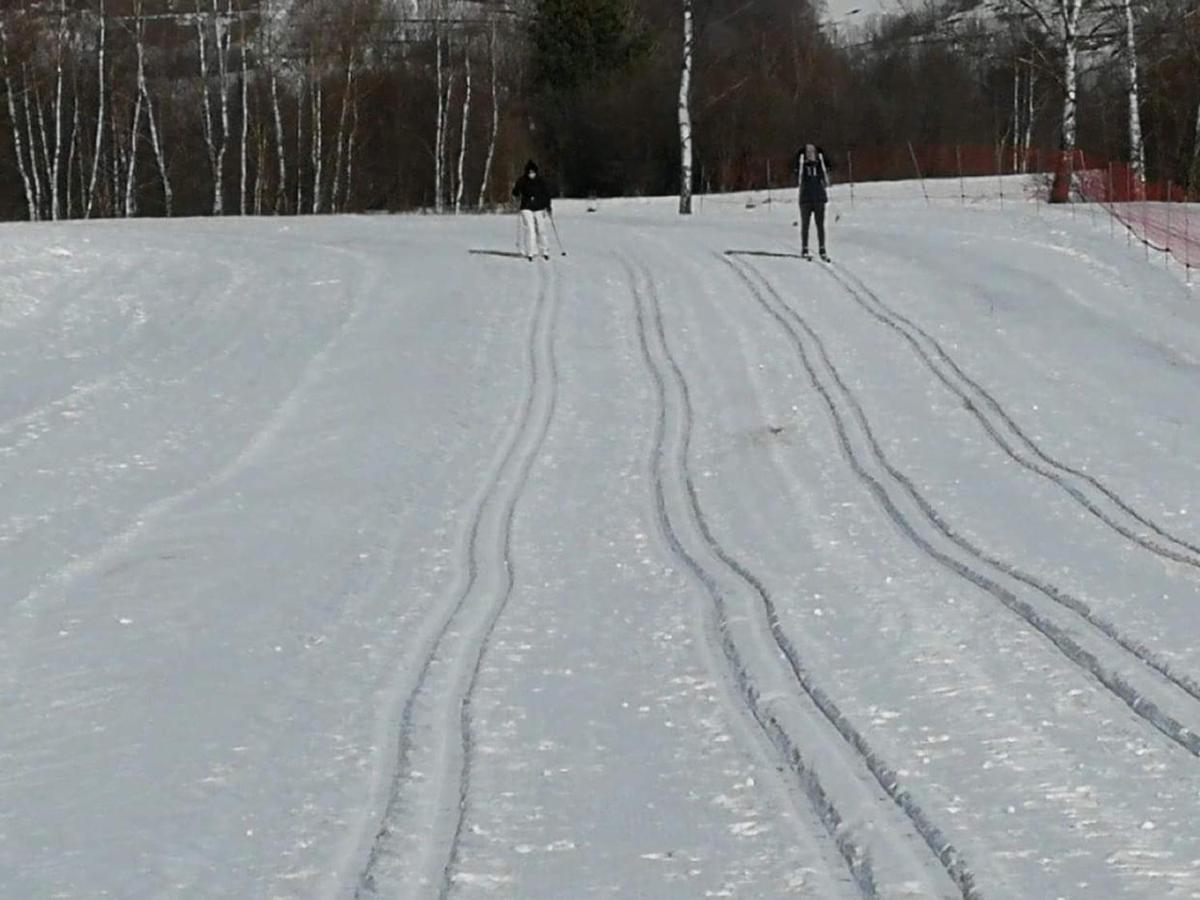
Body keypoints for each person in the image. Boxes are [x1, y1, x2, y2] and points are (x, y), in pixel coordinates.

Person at [793, 144, 831, 261]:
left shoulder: (820, 166)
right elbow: (797, 178)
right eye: (808, 154)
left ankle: (822, 248)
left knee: (820, 225)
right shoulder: (801, 167)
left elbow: (826, 179)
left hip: (819, 198)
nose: (810, 156)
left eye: (812, 153)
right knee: (805, 224)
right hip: (806, 199)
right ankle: (805, 247)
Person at [511, 160, 554, 261]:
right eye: (529, 172)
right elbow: (515, 191)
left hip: (539, 207)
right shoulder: (522, 180)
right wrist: (516, 194)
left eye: (533, 172)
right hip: (526, 207)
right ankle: (531, 251)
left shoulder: (541, 181)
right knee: (530, 229)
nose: (531, 174)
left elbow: (546, 194)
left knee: (541, 229)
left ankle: (545, 250)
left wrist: (548, 206)